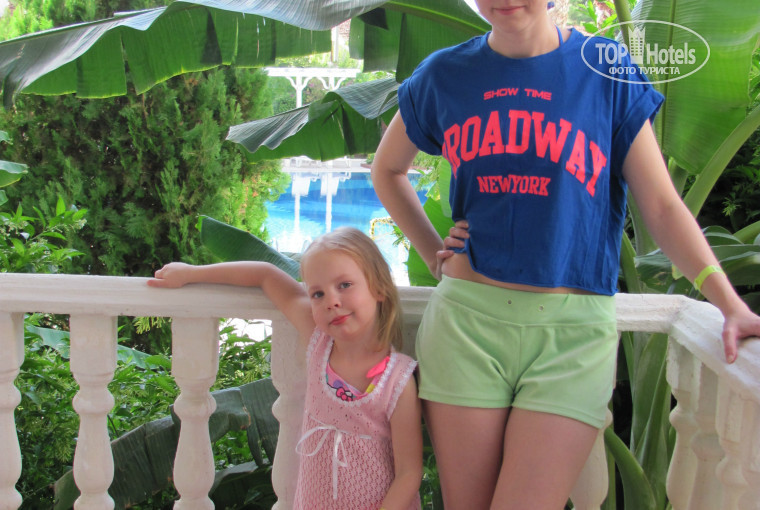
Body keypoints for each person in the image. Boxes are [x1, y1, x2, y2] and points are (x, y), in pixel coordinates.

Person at [370, 1, 760, 509]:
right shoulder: (445, 73)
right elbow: (387, 170)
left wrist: (728, 302)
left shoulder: (606, 69)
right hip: (466, 327)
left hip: (573, 338)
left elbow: (663, 207)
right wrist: (433, 252)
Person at [148, 227, 423, 510]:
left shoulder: (397, 381)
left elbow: (409, 473)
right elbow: (265, 275)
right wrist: (192, 274)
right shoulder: (319, 344)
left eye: (344, 285)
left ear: (378, 287)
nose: (332, 301)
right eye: (318, 293)